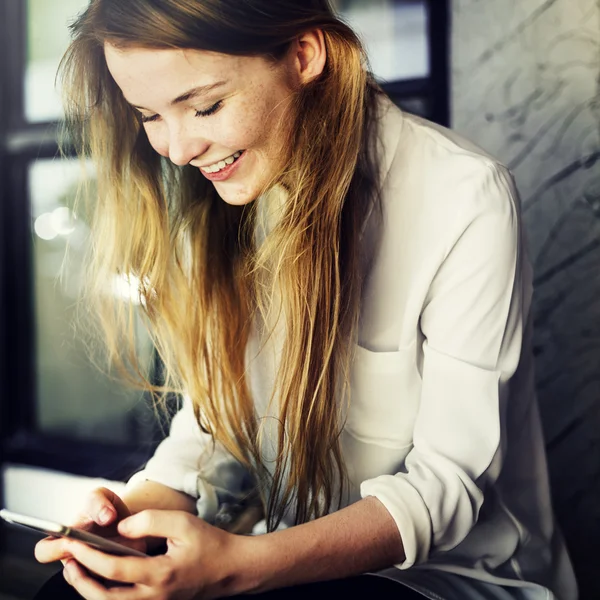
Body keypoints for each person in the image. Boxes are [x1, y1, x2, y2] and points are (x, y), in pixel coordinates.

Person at [32, 1, 578, 599]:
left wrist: (239, 565)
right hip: (279, 561)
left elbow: (446, 488)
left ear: (303, 55)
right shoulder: (221, 199)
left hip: (448, 579)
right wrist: (132, 514)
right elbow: (217, 426)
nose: (179, 149)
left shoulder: (464, 198)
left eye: (206, 106)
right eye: (149, 115)